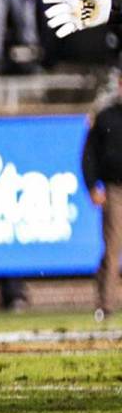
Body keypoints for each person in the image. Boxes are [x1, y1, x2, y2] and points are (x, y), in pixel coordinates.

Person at [82, 78, 122, 321]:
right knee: (113, 247)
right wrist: (91, 185)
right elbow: (89, 154)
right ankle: (105, 304)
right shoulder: (105, 115)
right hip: (115, 188)